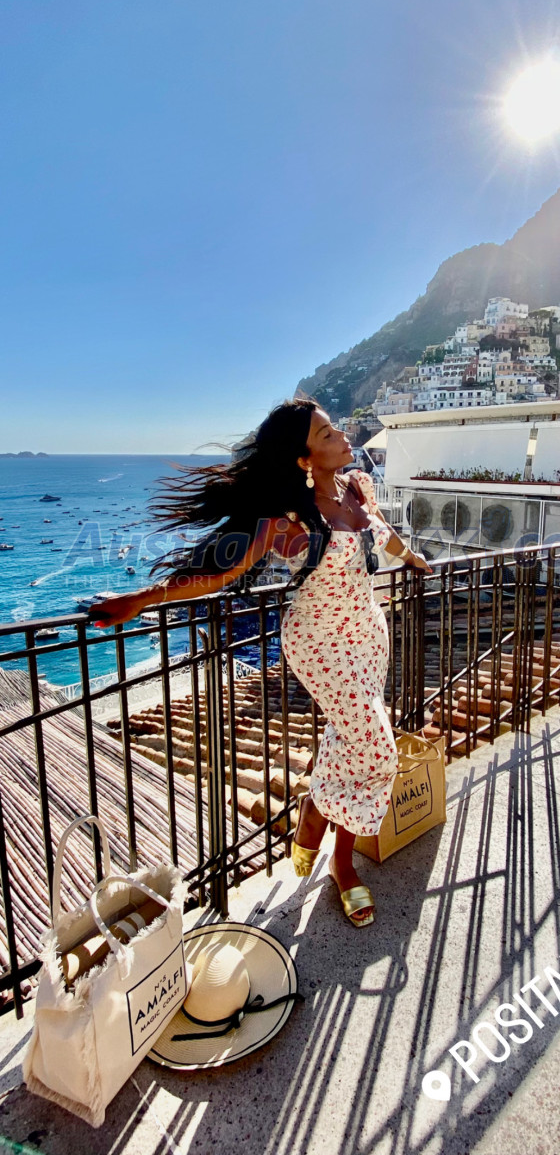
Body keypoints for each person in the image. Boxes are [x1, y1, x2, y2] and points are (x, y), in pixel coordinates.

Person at [88, 397, 432, 927]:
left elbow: (383, 533)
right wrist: (142, 599)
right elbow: (219, 575)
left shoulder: (358, 486)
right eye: (326, 434)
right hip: (320, 641)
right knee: (377, 747)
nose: (343, 436)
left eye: (334, 428)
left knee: (348, 737)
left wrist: (411, 558)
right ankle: (335, 853)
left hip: (368, 632)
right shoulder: (287, 521)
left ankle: (320, 820)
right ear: (304, 459)